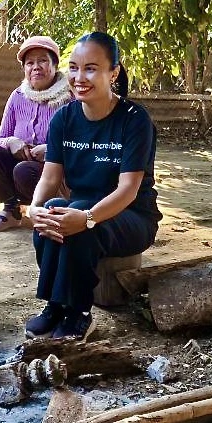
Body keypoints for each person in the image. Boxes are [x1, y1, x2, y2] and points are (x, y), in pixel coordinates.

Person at [24, 32, 162, 340]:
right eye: (73, 68)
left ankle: (79, 313)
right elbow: (50, 177)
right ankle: (54, 306)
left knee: (82, 224)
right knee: (50, 214)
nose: (78, 77)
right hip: (83, 206)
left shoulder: (134, 120)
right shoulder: (64, 119)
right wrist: (34, 209)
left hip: (132, 215)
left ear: (113, 73)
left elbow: (128, 189)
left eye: (91, 68)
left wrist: (87, 218)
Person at [0, 35, 73, 232]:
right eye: (30, 63)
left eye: (42, 60)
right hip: (23, 166)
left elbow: (81, 145)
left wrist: (52, 150)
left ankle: (51, 212)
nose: (36, 67)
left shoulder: (70, 98)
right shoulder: (17, 96)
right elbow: (0, 139)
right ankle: (12, 211)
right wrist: (12, 142)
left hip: (57, 173)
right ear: (24, 69)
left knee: (24, 170)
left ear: (55, 65)